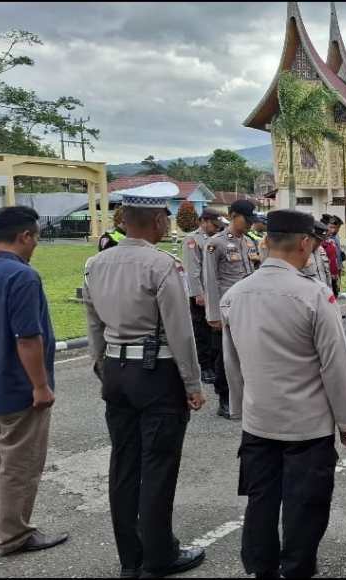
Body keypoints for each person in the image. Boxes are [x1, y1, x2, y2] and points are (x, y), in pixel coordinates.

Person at [220, 210, 346, 580]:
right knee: (305, 507)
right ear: (304, 243)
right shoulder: (314, 295)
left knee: (260, 501)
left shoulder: (235, 294)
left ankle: (260, 568)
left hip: (258, 422)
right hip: (306, 426)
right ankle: (297, 569)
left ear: (266, 241)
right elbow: (336, 366)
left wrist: (240, 408)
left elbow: (231, 361)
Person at [83, 183, 207, 578]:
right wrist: (192, 383)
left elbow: (93, 325)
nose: (168, 223)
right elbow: (180, 330)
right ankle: (158, 556)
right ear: (156, 220)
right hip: (157, 372)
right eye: (166, 217)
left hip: (117, 371)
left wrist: (101, 365)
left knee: (123, 464)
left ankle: (130, 558)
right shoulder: (161, 265)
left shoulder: (95, 263)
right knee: (158, 465)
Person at [0, 206, 68, 557]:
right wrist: (41, 385)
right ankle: (14, 535)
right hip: (19, 388)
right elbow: (28, 337)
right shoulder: (22, 276)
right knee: (19, 463)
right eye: (36, 239)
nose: (35, 246)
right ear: (25, 236)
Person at [203, 199, 261, 418]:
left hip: (247, 307)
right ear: (234, 215)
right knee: (223, 356)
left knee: (245, 353)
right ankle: (224, 398)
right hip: (226, 309)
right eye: (246, 220)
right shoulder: (215, 243)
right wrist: (213, 314)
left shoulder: (248, 242)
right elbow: (210, 279)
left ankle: (243, 395)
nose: (249, 224)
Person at [182, 208, 222, 385]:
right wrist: (198, 293)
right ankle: (204, 366)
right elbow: (192, 269)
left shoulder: (216, 238)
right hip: (201, 293)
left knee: (215, 330)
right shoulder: (193, 240)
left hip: (215, 291)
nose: (217, 227)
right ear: (204, 221)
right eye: (214, 224)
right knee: (202, 331)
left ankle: (214, 363)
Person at [302, 220, 333, 288]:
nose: (319, 243)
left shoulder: (321, 251)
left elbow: (327, 275)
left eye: (321, 241)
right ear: (310, 237)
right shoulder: (301, 253)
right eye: (318, 240)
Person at [320, 215, 344, 298]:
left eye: (335, 228)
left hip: (334, 272)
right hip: (325, 275)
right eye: (331, 227)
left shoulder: (333, 239)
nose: (333, 230)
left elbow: (335, 256)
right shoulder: (321, 241)